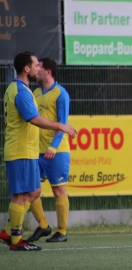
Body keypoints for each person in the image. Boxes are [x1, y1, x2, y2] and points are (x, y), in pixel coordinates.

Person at [0, 51, 77, 251]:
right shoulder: (24, 92)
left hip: (31, 151)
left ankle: (10, 231)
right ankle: (15, 239)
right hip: (22, 150)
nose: (38, 69)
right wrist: (61, 126)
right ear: (27, 69)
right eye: (35, 65)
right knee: (20, 195)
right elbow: (33, 118)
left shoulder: (18, 88)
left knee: (34, 191)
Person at [25, 58, 73, 243]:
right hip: (35, 151)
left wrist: (53, 146)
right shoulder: (35, 92)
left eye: (40, 68)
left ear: (49, 71)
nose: (37, 71)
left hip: (57, 151)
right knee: (31, 189)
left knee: (58, 191)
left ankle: (61, 232)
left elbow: (63, 123)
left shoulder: (61, 93)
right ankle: (43, 225)